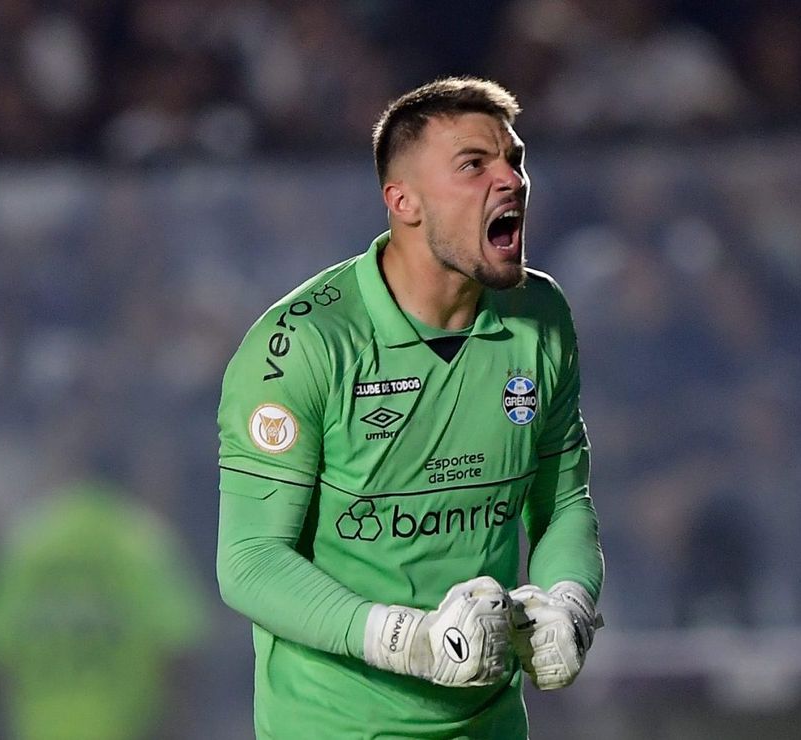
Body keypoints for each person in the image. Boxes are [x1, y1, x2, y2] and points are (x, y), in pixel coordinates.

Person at [216, 76, 604, 739]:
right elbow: (250, 561)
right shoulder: (304, 346)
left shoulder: (541, 318)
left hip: (489, 724)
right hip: (336, 726)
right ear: (404, 202)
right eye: (474, 165)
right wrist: (405, 639)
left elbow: (562, 501)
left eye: (514, 158)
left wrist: (568, 600)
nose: (509, 179)